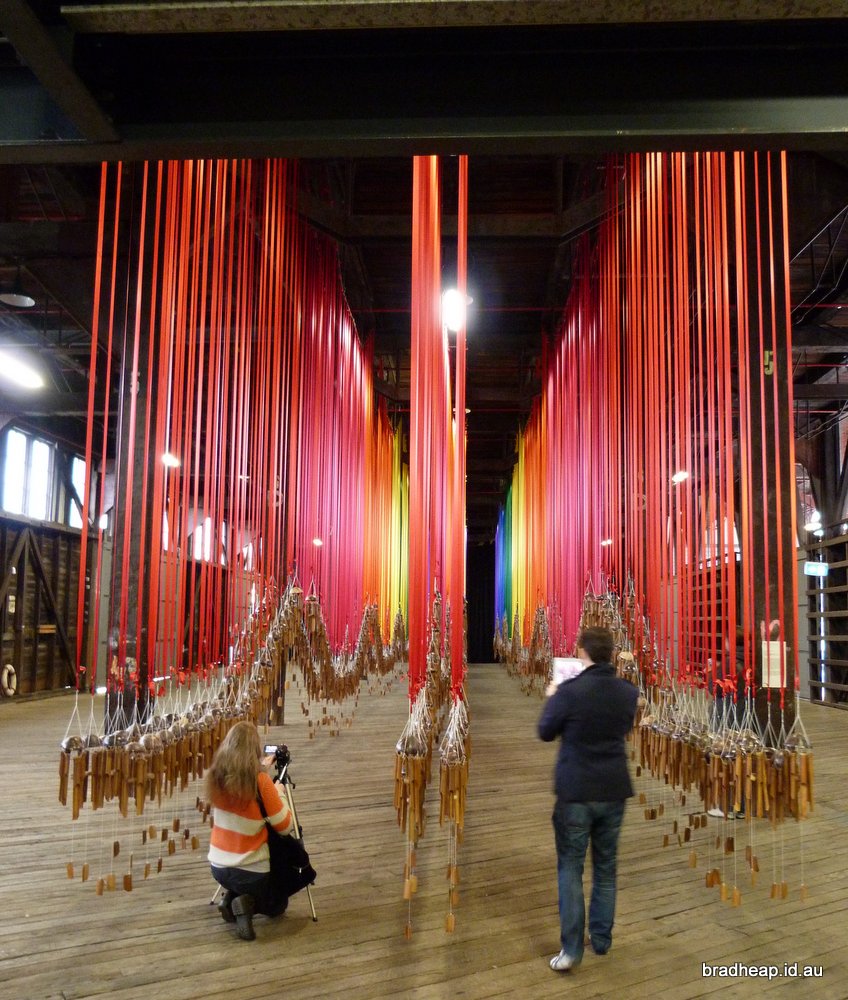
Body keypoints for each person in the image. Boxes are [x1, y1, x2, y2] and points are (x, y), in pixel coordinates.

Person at [537, 626, 639, 973]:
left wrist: (554, 696)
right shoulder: (628, 692)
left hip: (576, 791)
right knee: (606, 867)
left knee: (570, 867)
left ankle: (570, 950)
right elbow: (622, 727)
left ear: (582, 652)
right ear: (611, 654)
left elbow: (545, 732)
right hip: (614, 789)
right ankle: (601, 939)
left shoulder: (569, 691)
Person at [206, 720, 295, 940]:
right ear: (255, 749)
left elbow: (241, 782)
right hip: (252, 870)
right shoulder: (261, 782)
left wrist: (263, 768)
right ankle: (247, 905)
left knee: (240, 880)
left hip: (218, 867)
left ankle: (230, 900)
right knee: (278, 904)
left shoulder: (216, 776)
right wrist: (279, 792)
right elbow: (285, 827)